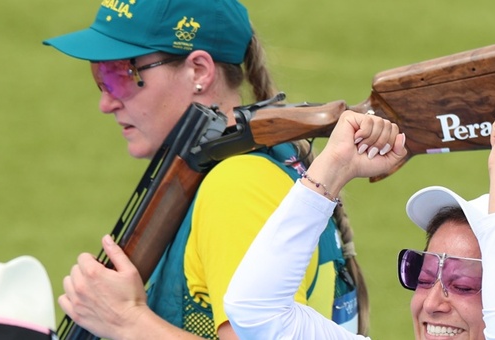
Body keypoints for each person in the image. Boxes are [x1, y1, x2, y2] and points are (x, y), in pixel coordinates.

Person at [43, 0, 369, 338]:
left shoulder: (238, 184)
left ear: (199, 70)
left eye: (120, 74)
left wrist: (128, 322)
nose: (105, 102)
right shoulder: (255, 163)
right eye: (100, 76)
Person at [224, 114, 495, 339]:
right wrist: (334, 167)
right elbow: (255, 309)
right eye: (424, 274)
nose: (432, 302)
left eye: (463, 282)